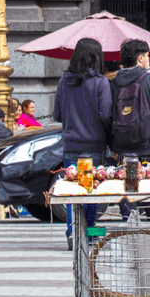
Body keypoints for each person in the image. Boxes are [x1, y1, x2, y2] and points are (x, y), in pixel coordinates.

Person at [53, 38, 113, 246]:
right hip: (94, 144)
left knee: (72, 187)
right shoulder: (100, 82)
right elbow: (106, 114)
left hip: (71, 143)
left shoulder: (63, 81)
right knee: (91, 188)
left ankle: (72, 231)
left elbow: (57, 114)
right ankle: (89, 228)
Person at [110, 39, 150, 218]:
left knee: (128, 190)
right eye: (148, 57)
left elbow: (108, 115)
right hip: (149, 146)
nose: (149, 60)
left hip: (124, 148)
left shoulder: (114, 83)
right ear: (140, 58)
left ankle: (129, 230)